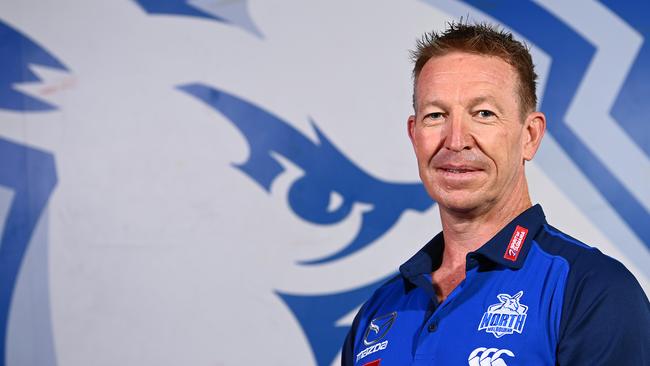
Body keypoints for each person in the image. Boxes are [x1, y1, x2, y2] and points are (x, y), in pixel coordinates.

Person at [341, 22, 650, 366]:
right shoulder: (379, 310)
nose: (456, 140)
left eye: (483, 114)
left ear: (530, 136)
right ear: (415, 135)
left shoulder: (593, 290)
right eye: (436, 115)